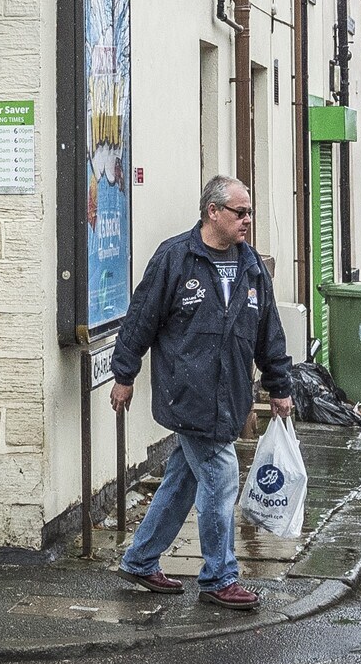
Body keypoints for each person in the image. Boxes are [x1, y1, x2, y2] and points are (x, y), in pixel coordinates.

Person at [108, 174, 294, 610]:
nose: (247, 220)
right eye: (240, 212)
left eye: (250, 212)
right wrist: (124, 374)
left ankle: (140, 559)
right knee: (221, 478)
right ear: (213, 211)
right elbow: (141, 319)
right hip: (187, 393)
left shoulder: (250, 266)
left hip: (228, 396)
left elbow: (269, 331)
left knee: (183, 479)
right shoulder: (175, 258)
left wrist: (279, 385)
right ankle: (219, 577)